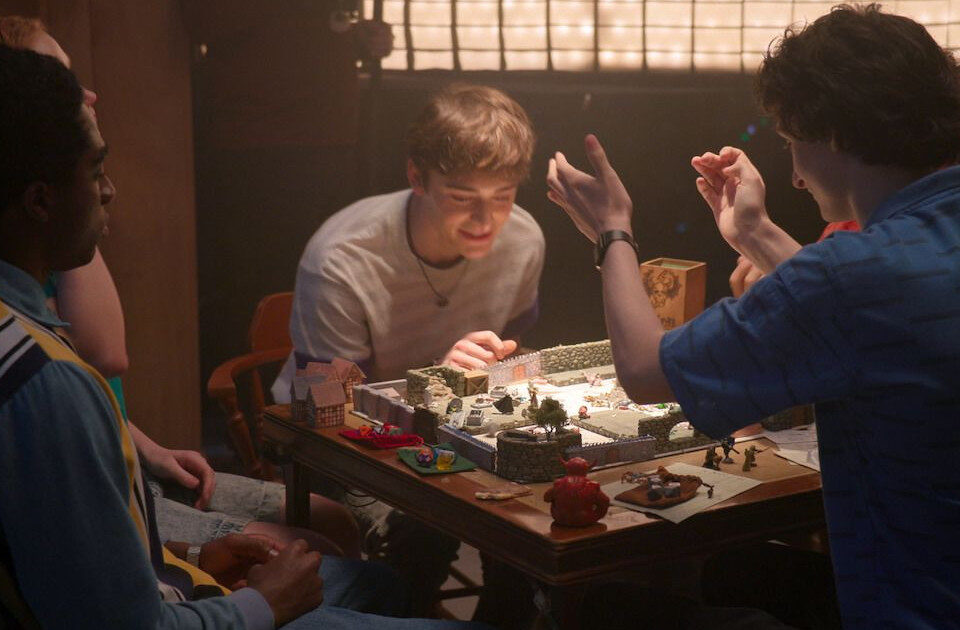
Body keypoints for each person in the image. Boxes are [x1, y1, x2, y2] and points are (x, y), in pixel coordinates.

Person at [0, 43, 490, 630]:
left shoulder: (25, 331)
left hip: (174, 581)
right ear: (40, 200)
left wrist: (192, 557)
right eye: (96, 170)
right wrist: (264, 604)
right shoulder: (48, 383)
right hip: (183, 609)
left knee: (379, 583)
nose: (109, 191)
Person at [548, 4, 960, 628]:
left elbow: (645, 369)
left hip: (913, 608)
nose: (794, 175)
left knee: (606, 608)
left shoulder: (849, 276)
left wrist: (612, 232)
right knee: (737, 570)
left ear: (833, 135)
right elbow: (876, 311)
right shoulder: (902, 255)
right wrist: (756, 233)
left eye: (792, 143)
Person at [0, 14, 361, 559]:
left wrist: (147, 448)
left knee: (338, 524)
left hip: (124, 453)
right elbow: (104, 355)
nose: (87, 95)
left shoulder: (56, 234)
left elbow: (100, 386)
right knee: (324, 557)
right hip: (107, 488)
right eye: (59, 82)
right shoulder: (32, 281)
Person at [272, 83, 544, 618]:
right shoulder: (344, 257)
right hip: (335, 441)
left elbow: (513, 356)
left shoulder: (524, 240)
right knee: (426, 529)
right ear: (417, 177)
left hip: (453, 426)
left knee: (529, 515)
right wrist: (431, 384)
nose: (485, 221)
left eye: (503, 196)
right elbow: (325, 416)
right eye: (462, 197)